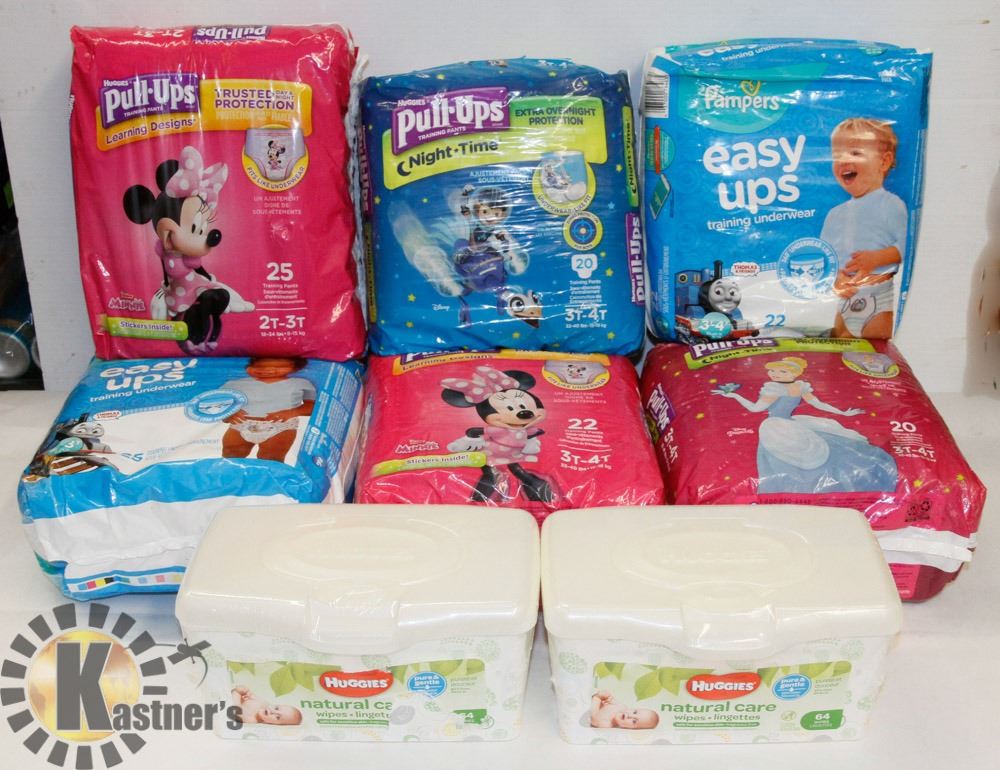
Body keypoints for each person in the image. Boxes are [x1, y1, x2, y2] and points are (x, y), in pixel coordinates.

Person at [712, 356, 897, 494]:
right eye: (774, 371)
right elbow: (817, 404)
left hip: (779, 426)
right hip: (787, 425)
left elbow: (756, 408)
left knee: (794, 457)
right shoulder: (792, 387)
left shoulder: (781, 388)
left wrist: (734, 396)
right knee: (802, 454)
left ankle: (796, 493)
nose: (775, 374)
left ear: (795, 374)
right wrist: (842, 413)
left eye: (782, 372)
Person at [820, 118, 907, 339]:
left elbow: (906, 246)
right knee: (839, 351)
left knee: (875, 350)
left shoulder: (890, 204)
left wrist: (877, 258)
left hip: (878, 297)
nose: (843, 160)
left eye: (855, 153)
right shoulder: (834, 214)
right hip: (845, 300)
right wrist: (835, 278)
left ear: (884, 161)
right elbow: (826, 257)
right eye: (837, 155)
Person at [221, 357, 316, 463]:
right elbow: (217, 403)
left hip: (281, 426)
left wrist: (292, 412)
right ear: (249, 367)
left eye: (279, 367)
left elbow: (312, 406)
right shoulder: (234, 383)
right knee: (231, 455)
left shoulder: (300, 383)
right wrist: (228, 413)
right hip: (241, 424)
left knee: (272, 458)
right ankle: (231, 473)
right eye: (259, 366)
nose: (268, 370)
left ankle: (267, 473)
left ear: (295, 368)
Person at [231, 686, 302, 725]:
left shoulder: (252, 720)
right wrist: (247, 692)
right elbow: (251, 695)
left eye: (277, 717)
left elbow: (235, 711)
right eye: (276, 708)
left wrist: (236, 693)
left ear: (275, 724)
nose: (273, 712)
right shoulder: (264, 703)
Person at [589, 690, 659, 729]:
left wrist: (597, 698)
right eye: (635, 712)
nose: (630, 716)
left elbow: (593, 719)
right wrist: (606, 696)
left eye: (634, 721)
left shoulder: (606, 724)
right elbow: (610, 699)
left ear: (632, 729)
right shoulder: (622, 706)